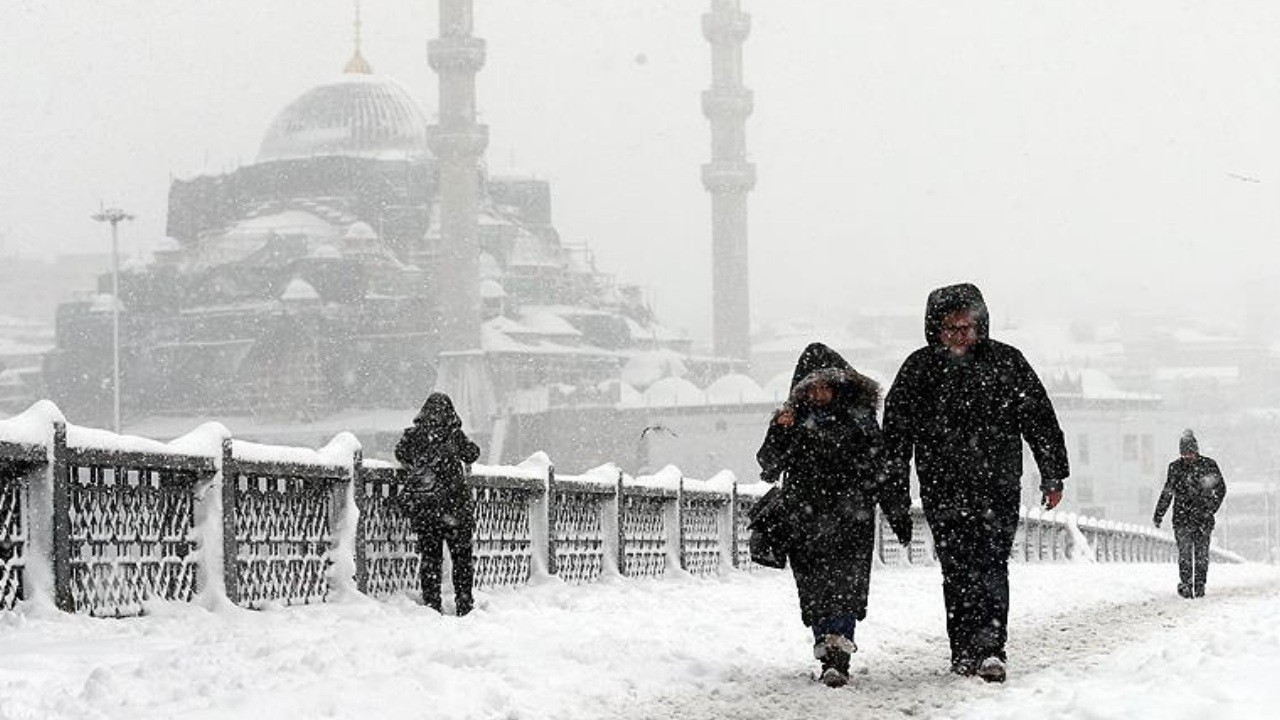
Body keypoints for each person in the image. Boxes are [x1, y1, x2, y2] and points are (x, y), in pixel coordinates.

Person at [882, 283, 1069, 683]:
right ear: (937, 329)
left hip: (996, 486)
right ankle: (963, 649)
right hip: (942, 487)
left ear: (980, 326)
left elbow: (1039, 418)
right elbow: (895, 437)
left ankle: (989, 648)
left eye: (967, 327)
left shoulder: (1006, 363)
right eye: (951, 328)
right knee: (957, 568)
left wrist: (1052, 472)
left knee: (990, 564)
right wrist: (894, 490)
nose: (960, 336)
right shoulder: (919, 370)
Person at [757, 343, 913, 688]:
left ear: (841, 384)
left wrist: (897, 512)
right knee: (815, 589)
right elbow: (768, 468)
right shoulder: (793, 421)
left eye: (825, 385)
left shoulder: (860, 420)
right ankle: (826, 647)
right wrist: (780, 430)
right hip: (805, 519)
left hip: (851, 519)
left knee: (845, 587)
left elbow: (882, 470)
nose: (819, 393)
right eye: (812, 387)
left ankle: (837, 655)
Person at [395, 392, 481, 616]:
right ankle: (464, 603)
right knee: (461, 559)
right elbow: (472, 454)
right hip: (455, 508)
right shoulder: (454, 435)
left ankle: (432, 604)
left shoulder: (414, 435)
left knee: (430, 560)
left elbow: (400, 454)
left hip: (426, 509)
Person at [1153, 429, 1226, 599]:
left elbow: (1220, 489)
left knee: (1201, 554)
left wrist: (1210, 509)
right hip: (1182, 518)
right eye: (1184, 454)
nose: (1188, 457)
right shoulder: (1175, 468)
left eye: (1190, 453)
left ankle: (1199, 584)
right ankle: (1186, 584)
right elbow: (1168, 492)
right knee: (1185, 554)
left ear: (1196, 450)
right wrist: (1159, 513)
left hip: (1202, 518)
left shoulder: (1209, 465)